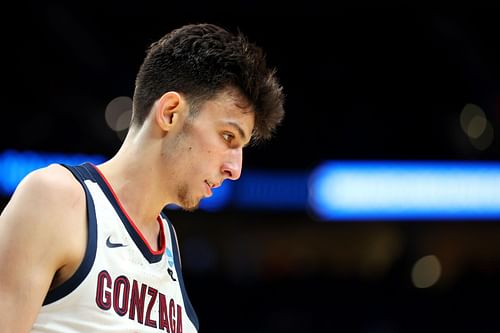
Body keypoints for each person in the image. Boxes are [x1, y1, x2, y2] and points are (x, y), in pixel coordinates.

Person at [0, 22, 285, 332]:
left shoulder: (170, 248)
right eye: (228, 137)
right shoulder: (56, 198)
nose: (235, 169)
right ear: (171, 113)